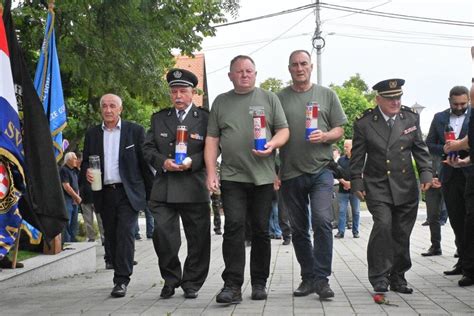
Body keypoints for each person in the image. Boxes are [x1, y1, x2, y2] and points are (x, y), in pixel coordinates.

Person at [205, 55, 289, 303]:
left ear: (255, 73)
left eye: (248, 70)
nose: (244, 74)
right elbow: (212, 140)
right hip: (232, 176)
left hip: (262, 177)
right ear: (230, 75)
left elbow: (284, 130)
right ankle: (232, 285)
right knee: (233, 228)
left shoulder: (269, 99)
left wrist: (272, 144)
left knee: (261, 230)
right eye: (239, 71)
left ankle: (260, 283)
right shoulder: (221, 102)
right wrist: (211, 172)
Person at [350, 78, 432, 294]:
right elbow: (357, 157)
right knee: (383, 226)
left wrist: (425, 173)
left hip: (405, 186)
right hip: (378, 185)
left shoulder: (410, 118)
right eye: (390, 98)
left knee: (401, 233)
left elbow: (420, 150)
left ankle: (398, 276)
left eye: (398, 97)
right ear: (378, 99)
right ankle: (379, 276)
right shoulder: (364, 123)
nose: (395, 102)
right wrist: (357, 181)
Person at [277, 50, 347, 299]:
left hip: (321, 170)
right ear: (289, 68)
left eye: (304, 64)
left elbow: (340, 129)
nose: (299, 68)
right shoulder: (279, 98)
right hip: (290, 172)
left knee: (321, 220)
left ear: (311, 66)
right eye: (295, 64)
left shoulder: (327, 95)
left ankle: (322, 279)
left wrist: (326, 136)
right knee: (298, 229)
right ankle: (308, 278)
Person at [143, 68, 210, 299]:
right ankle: (171, 278)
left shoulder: (204, 118)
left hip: (194, 185)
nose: (178, 96)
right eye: (174, 92)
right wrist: (164, 162)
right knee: (163, 236)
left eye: (183, 91)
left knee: (199, 239)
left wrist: (193, 161)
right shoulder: (160, 118)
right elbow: (148, 148)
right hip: (165, 187)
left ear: (193, 93)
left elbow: (214, 148)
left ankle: (192, 282)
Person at [81, 93, 153, 298]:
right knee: (111, 236)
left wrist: (152, 194)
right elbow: (85, 161)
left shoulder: (135, 131)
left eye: (113, 105)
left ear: (120, 109)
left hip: (127, 193)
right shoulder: (93, 134)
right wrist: (86, 171)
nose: (108, 109)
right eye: (104, 106)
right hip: (103, 192)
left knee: (125, 233)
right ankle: (115, 263)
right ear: (101, 110)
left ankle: (121, 280)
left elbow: (144, 164)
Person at [425, 86, 473, 273]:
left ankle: (470, 264)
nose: (460, 107)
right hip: (449, 175)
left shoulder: (473, 116)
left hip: (470, 173)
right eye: (456, 104)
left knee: (471, 220)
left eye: (463, 103)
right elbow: (429, 144)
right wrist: (443, 149)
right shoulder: (439, 118)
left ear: (468, 100)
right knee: (456, 219)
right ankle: (462, 261)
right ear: (449, 101)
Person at [335, 139, 360, 239]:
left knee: (356, 211)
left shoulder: (358, 159)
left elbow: (361, 174)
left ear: (352, 147)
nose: (345, 148)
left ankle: (355, 231)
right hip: (342, 189)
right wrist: (344, 182)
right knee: (341, 211)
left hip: (355, 190)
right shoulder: (340, 160)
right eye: (344, 146)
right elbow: (336, 174)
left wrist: (351, 184)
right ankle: (341, 232)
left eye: (347, 146)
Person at [421, 155, 443, 256]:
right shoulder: (426, 141)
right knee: (432, 216)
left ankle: (461, 248)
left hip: (450, 179)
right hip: (431, 182)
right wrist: (428, 178)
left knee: (457, 215)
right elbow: (422, 160)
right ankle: (435, 246)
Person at [60, 151, 81, 243]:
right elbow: (66, 186)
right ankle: (66, 241)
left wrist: (77, 196)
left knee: (74, 222)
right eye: (75, 158)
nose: (76, 160)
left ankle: (73, 240)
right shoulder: (64, 170)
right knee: (67, 221)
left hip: (74, 200)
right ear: (68, 160)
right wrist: (76, 197)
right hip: (67, 199)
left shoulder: (74, 170)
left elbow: (76, 185)